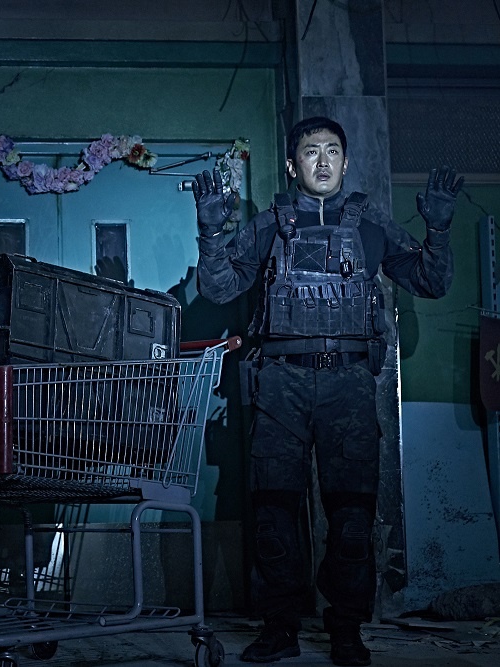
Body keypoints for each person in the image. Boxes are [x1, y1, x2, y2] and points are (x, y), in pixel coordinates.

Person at [192, 116, 462, 666]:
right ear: (293, 166)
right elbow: (218, 288)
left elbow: (431, 282)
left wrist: (438, 230)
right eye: (311, 151)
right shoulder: (268, 226)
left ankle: (346, 630)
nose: (322, 160)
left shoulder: (372, 224)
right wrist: (211, 235)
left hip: (348, 387)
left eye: (333, 150)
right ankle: (279, 627)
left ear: (345, 161)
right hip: (280, 385)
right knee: (273, 513)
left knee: (353, 517)